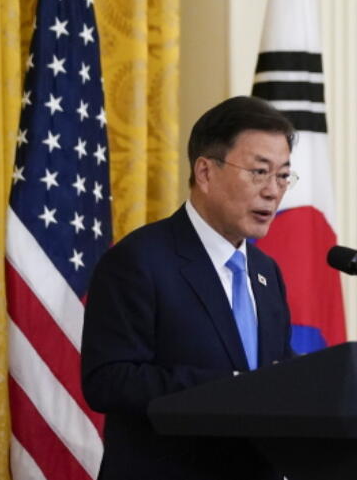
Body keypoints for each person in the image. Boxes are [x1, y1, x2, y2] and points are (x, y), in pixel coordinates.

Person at [81, 96, 299, 480]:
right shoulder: (140, 260)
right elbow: (108, 380)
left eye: (282, 175)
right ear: (205, 172)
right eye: (259, 172)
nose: (273, 191)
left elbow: (276, 372)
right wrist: (229, 389)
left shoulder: (266, 272)